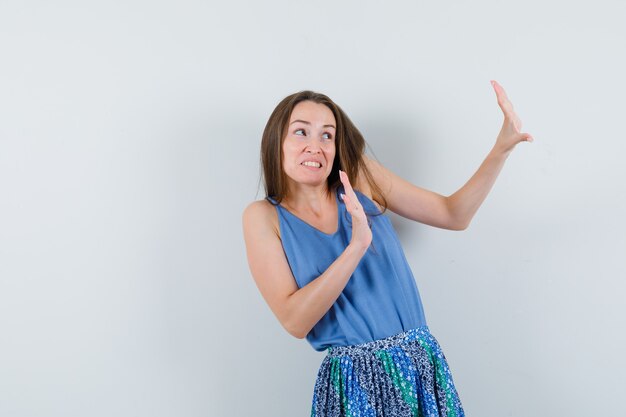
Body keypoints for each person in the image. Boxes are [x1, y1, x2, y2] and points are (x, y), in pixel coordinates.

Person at [242, 81, 533, 416]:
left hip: (418, 365)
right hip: (352, 386)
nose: (315, 145)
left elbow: (455, 214)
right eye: (300, 132)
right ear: (276, 141)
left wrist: (501, 149)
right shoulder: (264, 217)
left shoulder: (361, 177)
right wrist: (356, 247)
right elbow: (295, 321)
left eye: (327, 135)